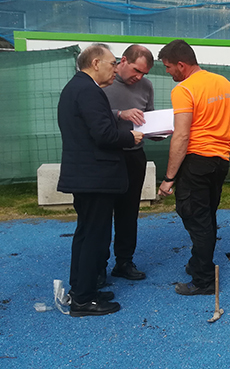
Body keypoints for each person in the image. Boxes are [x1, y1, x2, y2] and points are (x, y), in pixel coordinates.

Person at [57, 43, 143, 316]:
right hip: (94, 177)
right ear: (95, 63)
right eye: (112, 63)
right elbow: (103, 134)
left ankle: (82, 289)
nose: (115, 69)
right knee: (94, 236)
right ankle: (84, 299)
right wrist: (130, 137)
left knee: (86, 234)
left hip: (86, 175)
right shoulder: (89, 91)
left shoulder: (76, 88)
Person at [157, 39, 230, 296]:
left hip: (196, 161)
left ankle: (203, 280)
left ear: (181, 65)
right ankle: (197, 263)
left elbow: (181, 136)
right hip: (220, 160)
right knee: (207, 216)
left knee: (195, 217)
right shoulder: (224, 83)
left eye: (168, 67)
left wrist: (169, 178)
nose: (167, 72)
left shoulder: (184, 89)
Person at [101, 44, 155, 284]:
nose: (139, 77)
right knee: (101, 212)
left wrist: (158, 131)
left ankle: (124, 261)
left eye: (144, 73)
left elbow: (148, 117)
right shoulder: (103, 81)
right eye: (136, 70)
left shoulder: (147, 86)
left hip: (135, 155)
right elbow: (92, 115)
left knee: (129, 211)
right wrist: (120, 114)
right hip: (107, 155)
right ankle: (98, 265)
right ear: (123, 61)